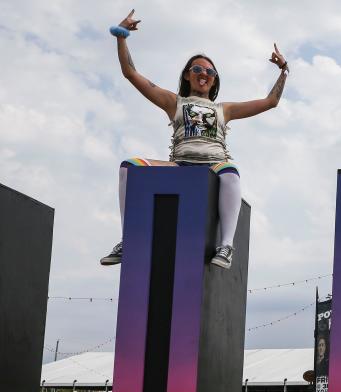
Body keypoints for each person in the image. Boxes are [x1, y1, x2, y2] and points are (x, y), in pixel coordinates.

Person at [100, 10, 289, 270]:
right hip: (180, 164)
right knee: (128, 167)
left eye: (210, 71)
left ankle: (226, 246)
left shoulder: (225, 109)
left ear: (214, 81)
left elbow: (271, 102)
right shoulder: (174, 103)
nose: (204, 74)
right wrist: (121, 37)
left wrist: (284, 70)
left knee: (232, 172)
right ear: (188, 75)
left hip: (214, 165)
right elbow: (131, 74)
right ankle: (128, 239)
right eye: (198, 69)